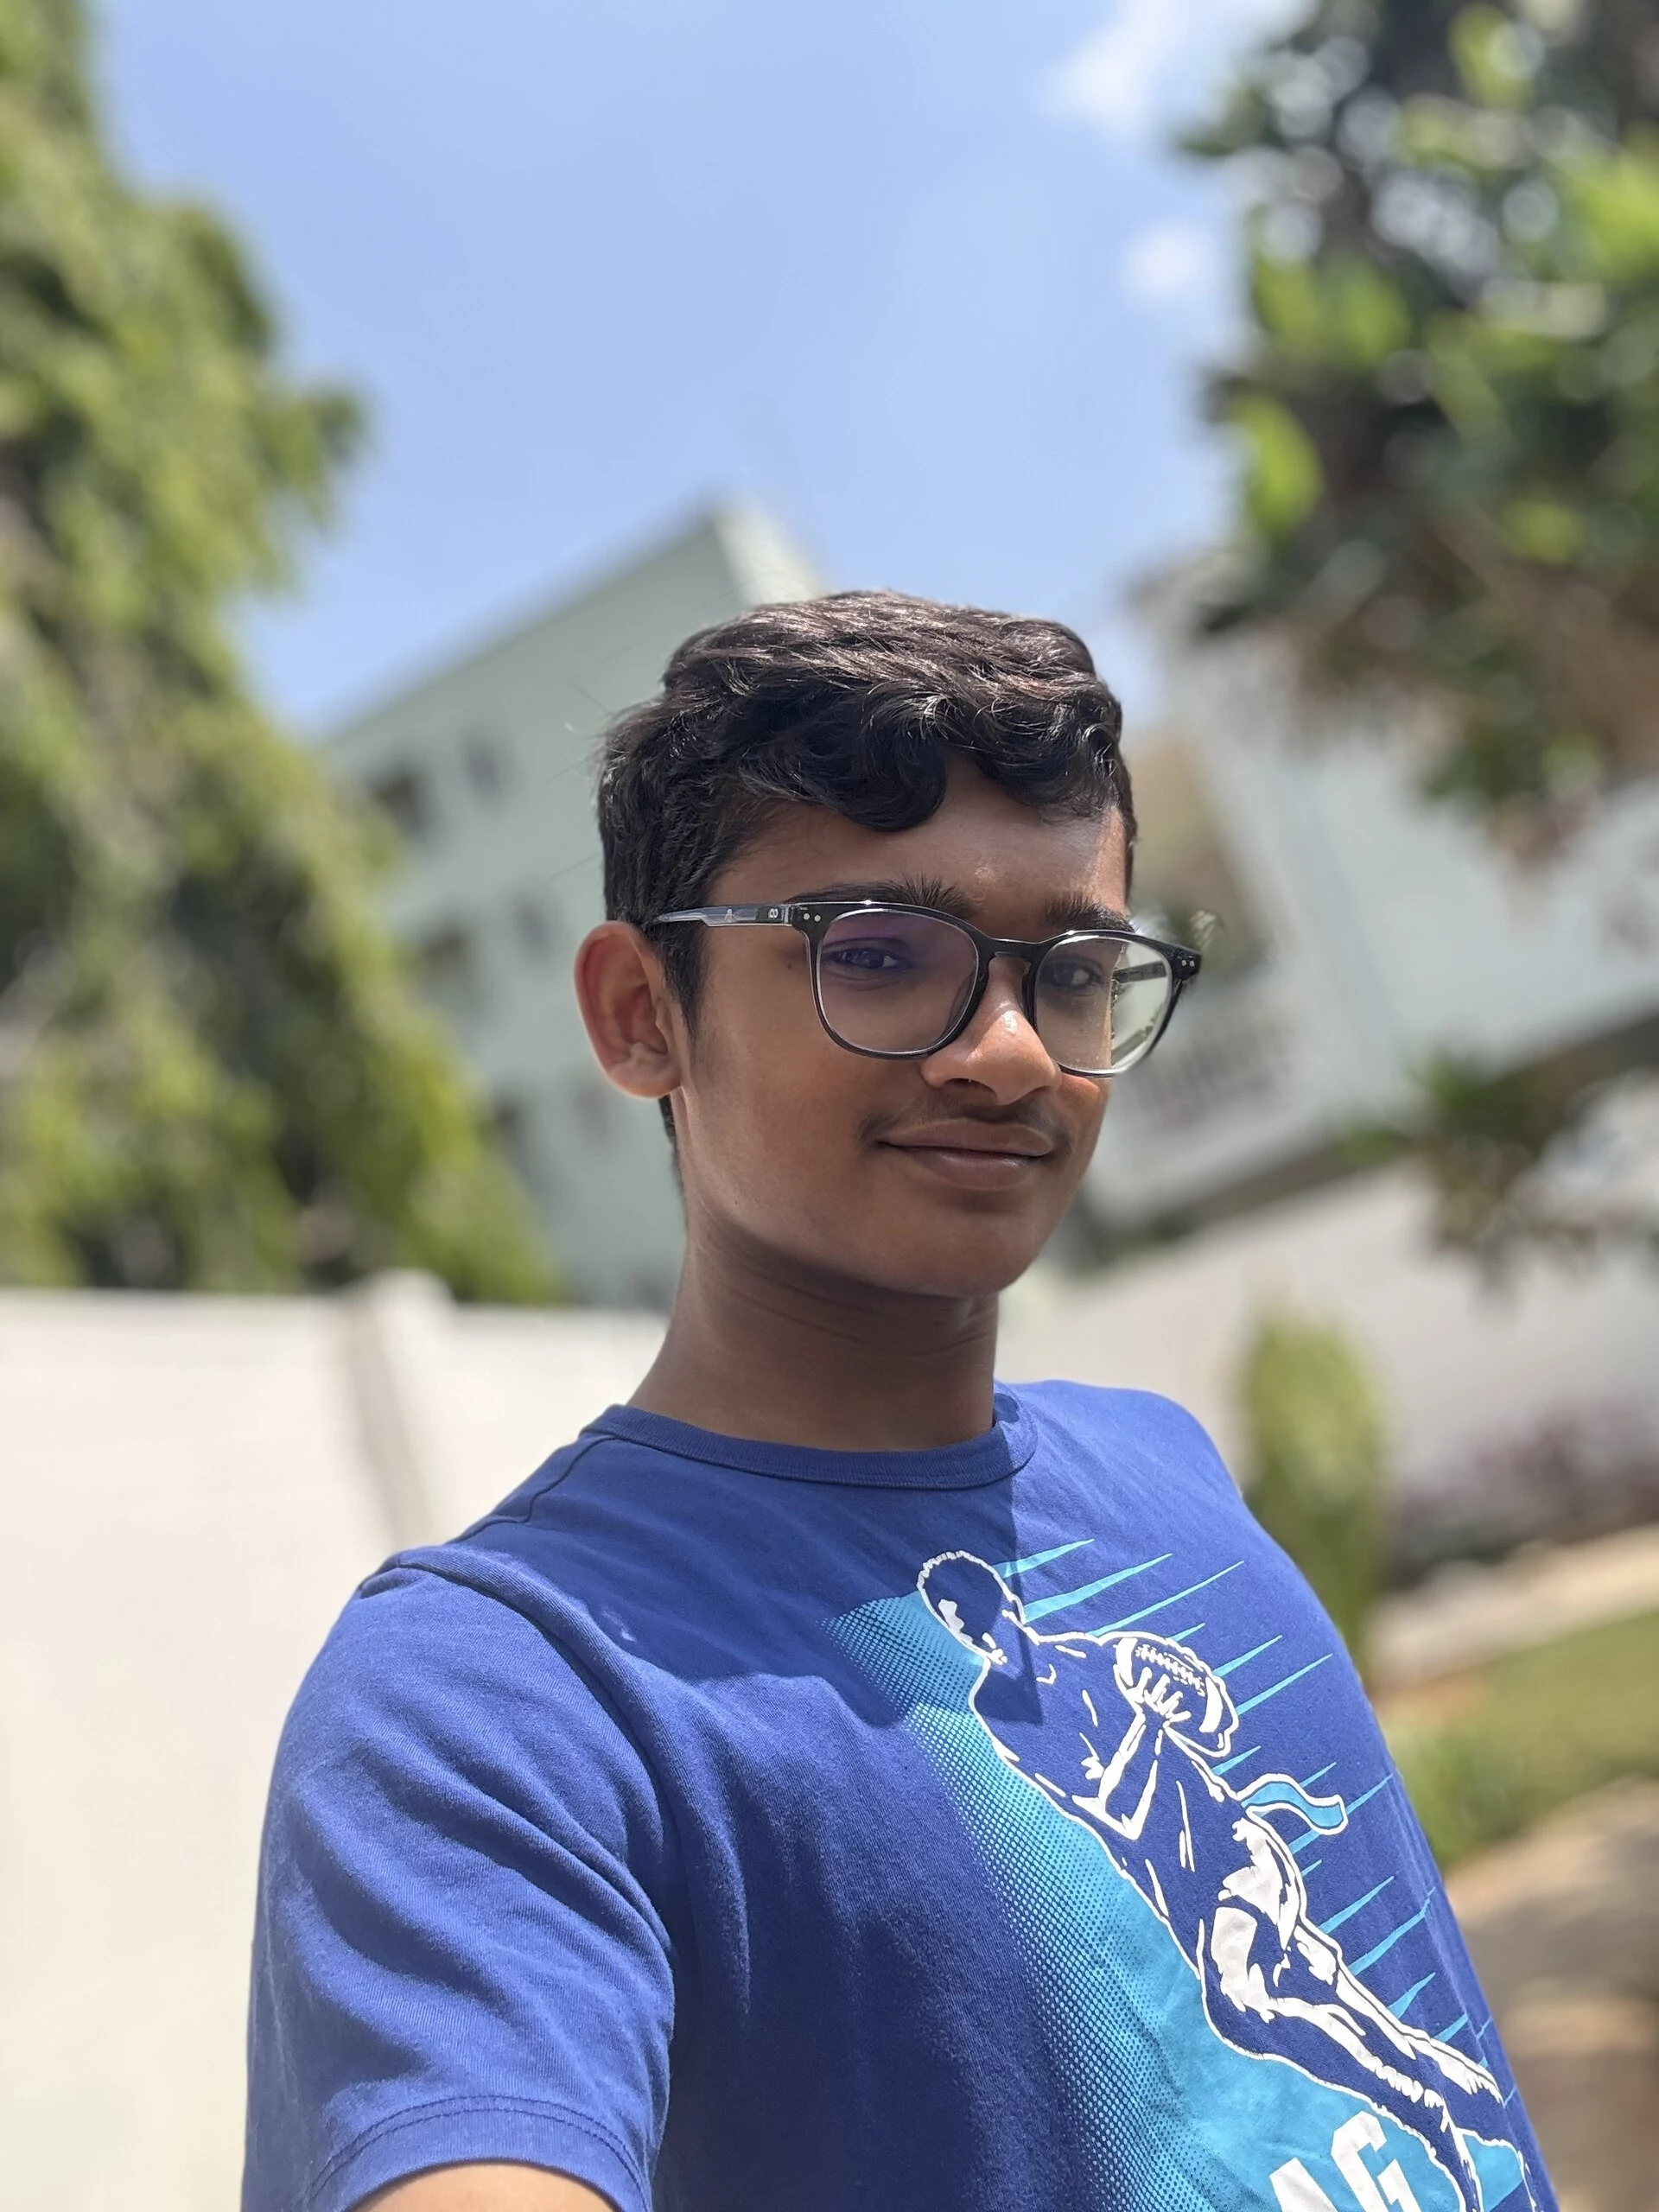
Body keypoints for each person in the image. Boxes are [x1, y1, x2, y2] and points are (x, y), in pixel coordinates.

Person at [245, 593, 1550, 2212]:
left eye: (1077, 971)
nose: (1010, 1052)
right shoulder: (496, 1698)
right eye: (875, 954)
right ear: (643, 1015)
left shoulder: (1165, 1471)